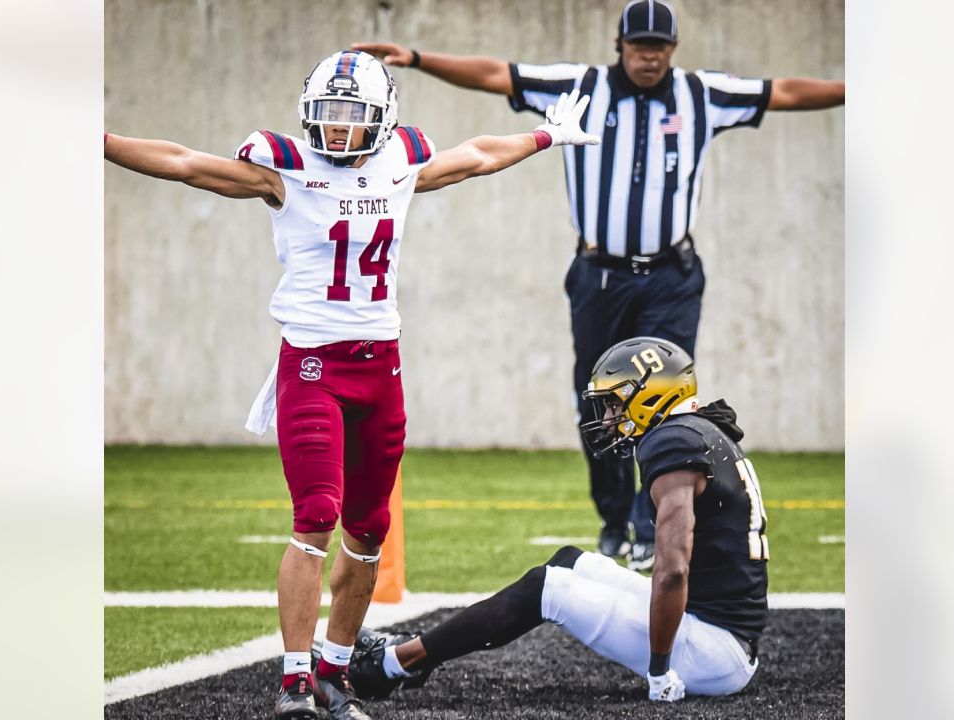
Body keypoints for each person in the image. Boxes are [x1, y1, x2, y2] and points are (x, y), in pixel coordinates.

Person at [104, 50, 599, 720]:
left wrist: (544, 137)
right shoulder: (284, 170)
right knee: (315, 515)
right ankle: (295, 681)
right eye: (327, 115)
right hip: (312, 365)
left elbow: (476, 154)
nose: (336, 130)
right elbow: (186, 162)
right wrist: (101, 142)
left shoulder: (400, 162)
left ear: (381, 117)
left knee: (369, 527)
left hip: (380, 367)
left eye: (351, 116)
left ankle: (335, 671)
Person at [354, 0, 842, 569]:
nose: (649, 58)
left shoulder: (700, 94)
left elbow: (781, 92)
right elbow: (497, 74)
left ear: (673, 50)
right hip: (599, 275)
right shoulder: (579, 87)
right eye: (640, 47)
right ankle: (614, 517)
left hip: (672, 275)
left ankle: (646, 522)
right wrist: (415, 57)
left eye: (659, 48)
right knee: (598, 400)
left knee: (666, 399)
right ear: (620, 45)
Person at [346, 336, 770, 703]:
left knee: (545, 589)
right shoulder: (700, 430)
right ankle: (414, 656)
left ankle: (394, 665)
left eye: (615, 404)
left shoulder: (671, 442)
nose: (608, 419)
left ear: (650, 397)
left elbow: (673, 571)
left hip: (713, 650)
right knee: (568, 560)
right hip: (717, 633)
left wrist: (659, 671)